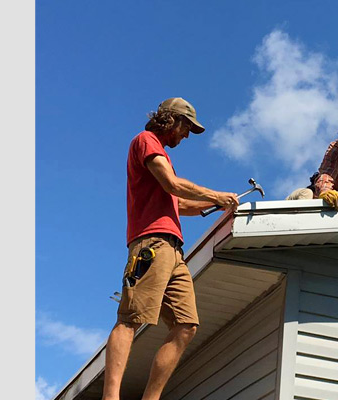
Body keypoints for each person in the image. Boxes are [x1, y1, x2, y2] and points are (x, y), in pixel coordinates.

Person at [102, 97, 240, 400]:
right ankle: (110, 397)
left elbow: (178, 202)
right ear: (171, 120)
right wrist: (216, 193)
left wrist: (216, 204)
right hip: (151, 242)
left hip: (174, 249)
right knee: (130, 319)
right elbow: (172, 184)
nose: (187, 135)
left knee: (186, 325)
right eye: (186, 127)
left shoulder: (160, 154)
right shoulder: (146, 141)